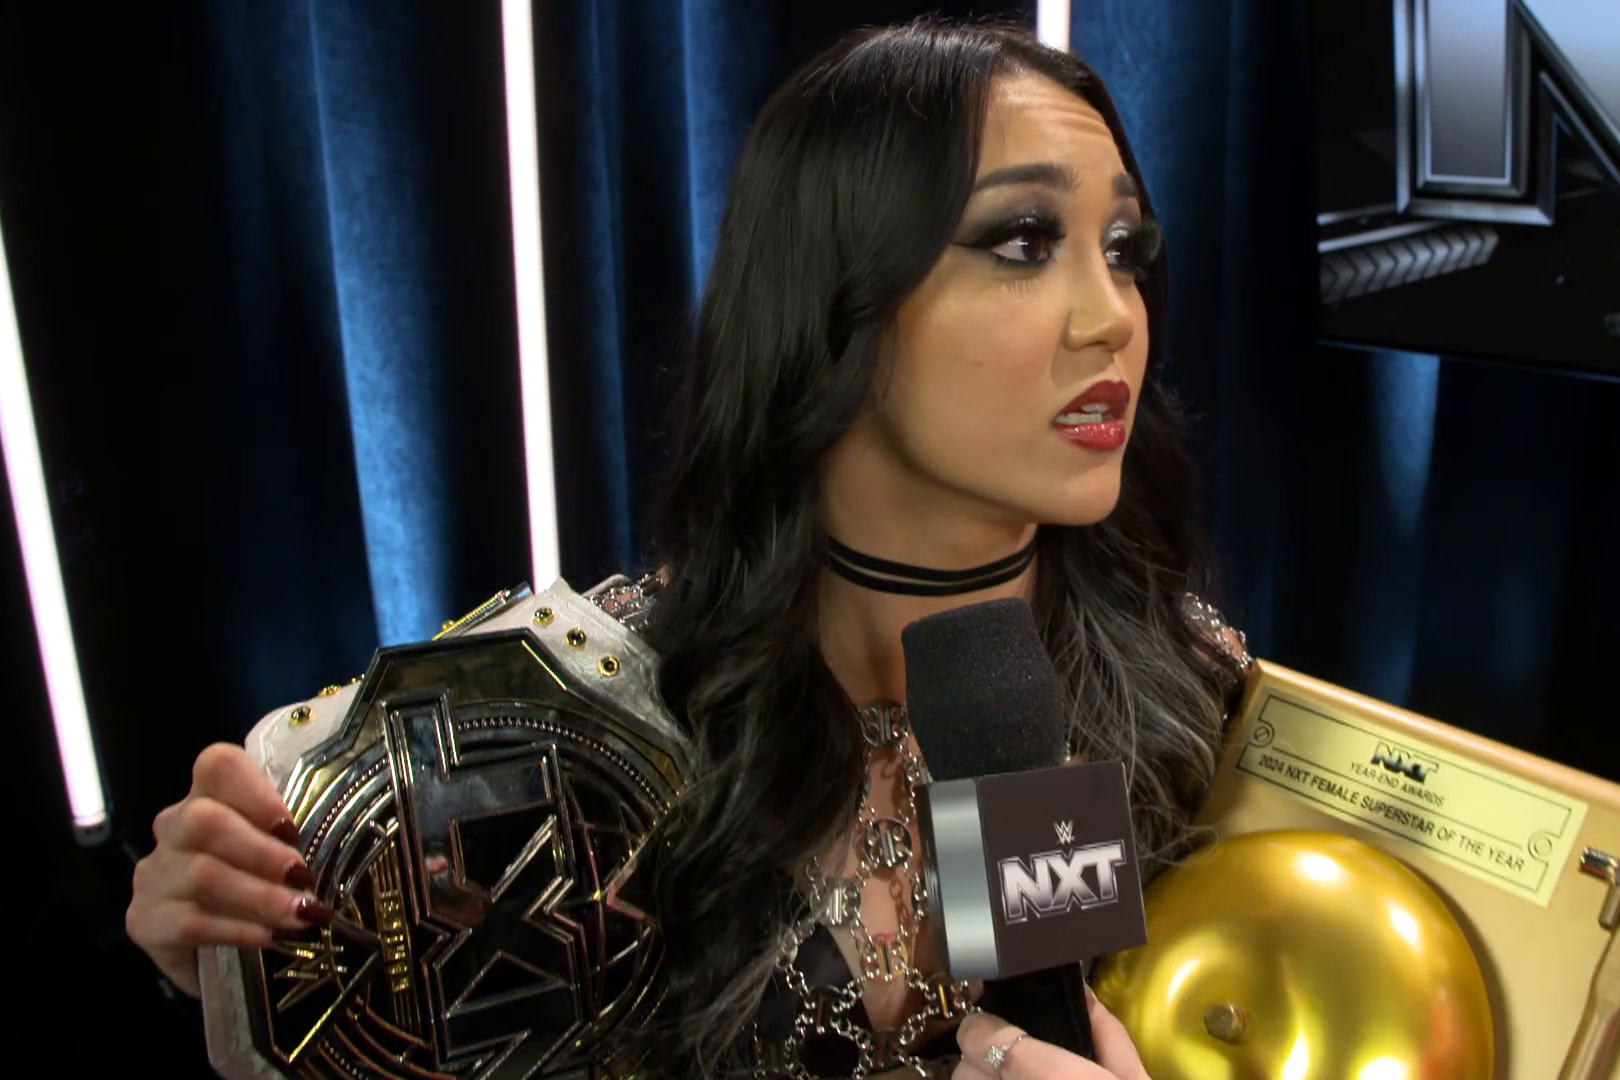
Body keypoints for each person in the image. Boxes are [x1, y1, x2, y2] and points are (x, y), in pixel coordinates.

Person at [124, 17, 1250, 1079]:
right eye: (1023, 241)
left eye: (1124, 249)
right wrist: (259, 969)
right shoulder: (571, 736)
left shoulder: (1195, 707)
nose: (1115, 315)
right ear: (831, 291)